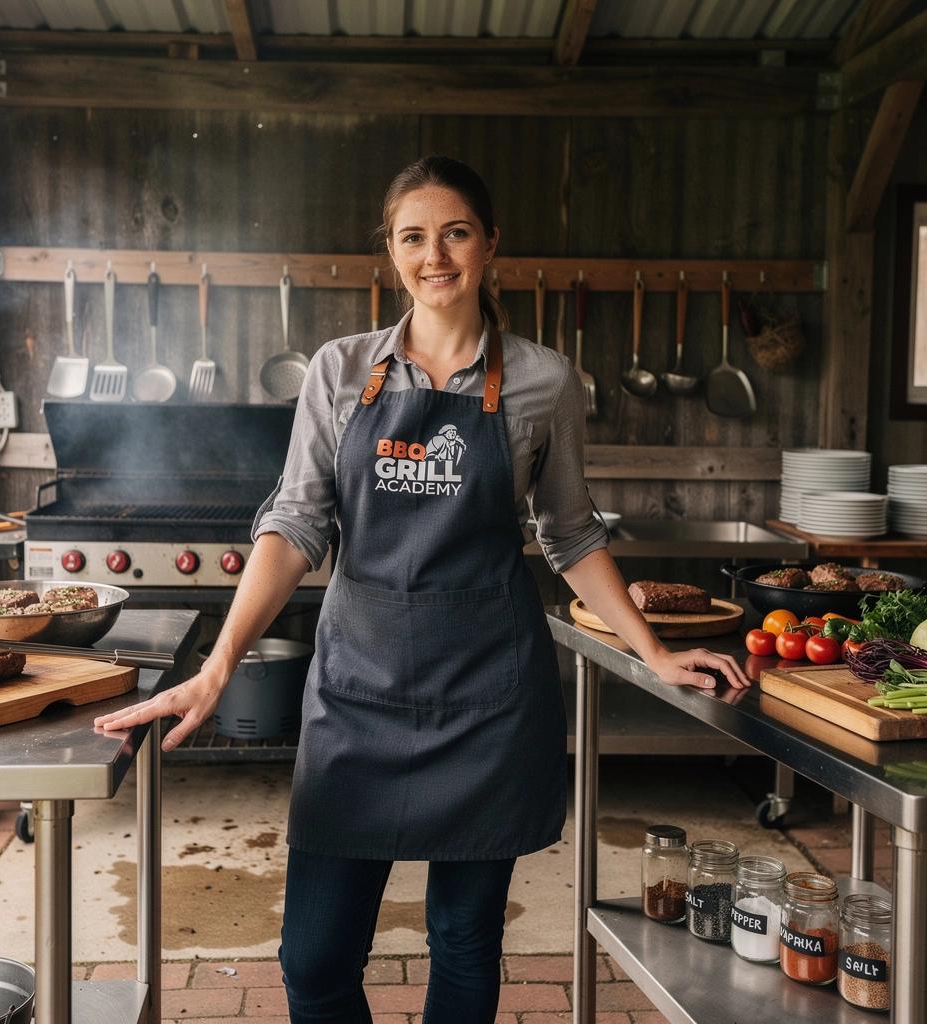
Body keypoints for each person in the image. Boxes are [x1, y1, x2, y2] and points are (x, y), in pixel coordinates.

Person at [95, 155, 749, 1023]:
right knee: (314, 959)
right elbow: (295, 523)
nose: (433, 256)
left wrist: (654, 652)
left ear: (489, 244)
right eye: (413, 237)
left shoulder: (544, 381)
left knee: (465, 940)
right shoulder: (340, 370)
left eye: (455, 233)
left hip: (489, 696)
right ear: (392, 251)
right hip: (357, 693)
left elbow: (570, 533)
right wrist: (218, 667)